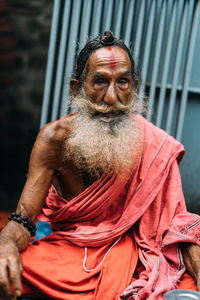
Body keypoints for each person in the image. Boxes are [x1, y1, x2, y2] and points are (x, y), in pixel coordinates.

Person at [0, 30, 200, 300]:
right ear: (76, 88)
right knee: (7, 270)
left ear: (135, 88)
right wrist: (6, 243)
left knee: (182, 283)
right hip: (71, 254)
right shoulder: (54, 139)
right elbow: (24, 218)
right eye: (100, 82)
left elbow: (176, 225)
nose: (111, 97)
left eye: (123, 82)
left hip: (137, 256)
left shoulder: (155, 144)